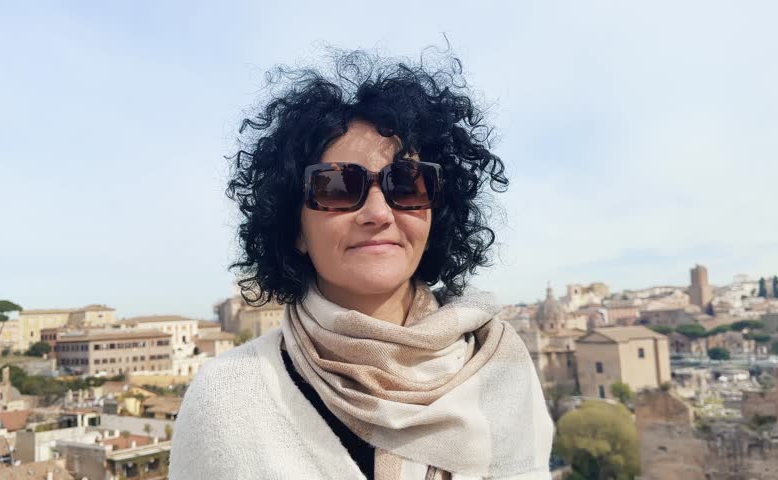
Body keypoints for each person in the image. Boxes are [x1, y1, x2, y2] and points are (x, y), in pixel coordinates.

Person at [169, 49, 554, 480]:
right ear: (293, 226)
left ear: (435, 212)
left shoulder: (499, 367)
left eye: (406, 184)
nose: (378, 212)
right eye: (336, 186)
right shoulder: (228, 395)